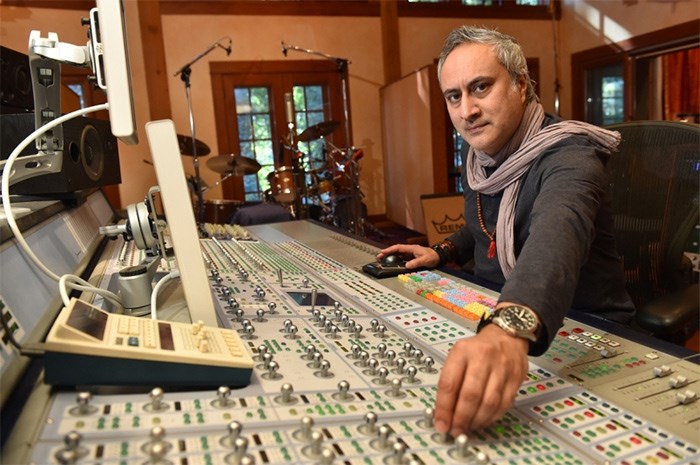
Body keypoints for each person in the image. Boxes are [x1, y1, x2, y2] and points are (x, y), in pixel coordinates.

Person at [378, 26, 634, 436]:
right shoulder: (483, 155)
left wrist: (507, 331)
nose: (467, 111)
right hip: (491, 308)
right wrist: (442, 252)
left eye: (481, 87)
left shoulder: (572, 155)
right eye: (454, 96)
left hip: (579, 324)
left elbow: (556, 237)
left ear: (520, 85)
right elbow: (489, 227)